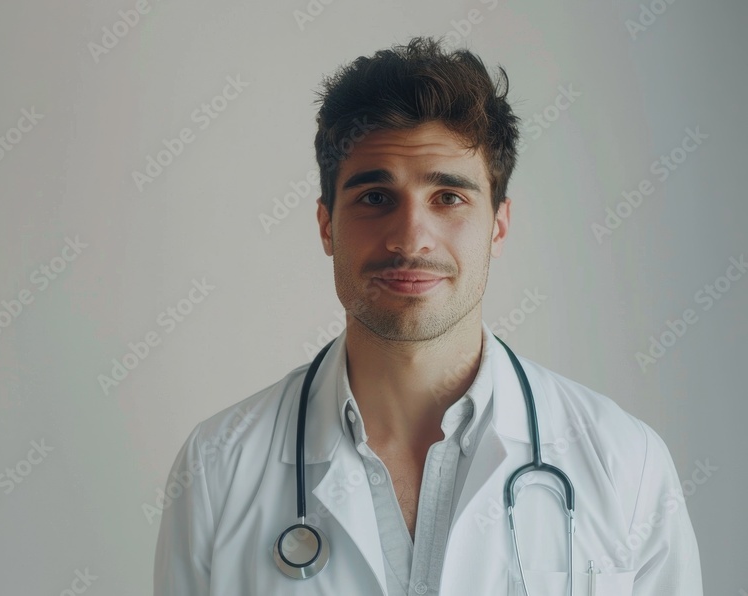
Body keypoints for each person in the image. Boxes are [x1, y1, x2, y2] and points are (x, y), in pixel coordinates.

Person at [153, 36, 703, 595]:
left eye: (449, 197)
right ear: (326, 225)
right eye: (374, 197)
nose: (411, 239)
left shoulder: (625, 464)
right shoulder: (219, 467)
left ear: (499, 226)